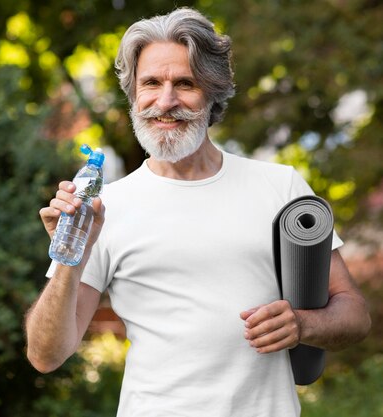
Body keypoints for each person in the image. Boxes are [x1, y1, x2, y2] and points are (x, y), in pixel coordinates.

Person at [24, 7, 371, 417]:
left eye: (184, 83)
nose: (165, 101)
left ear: (213, 90)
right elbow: (46, 356)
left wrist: (302, 325)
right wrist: (70, 257)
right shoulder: (104, 209)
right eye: (151, 83)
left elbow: (355, 314)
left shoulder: (281, 187)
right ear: (134, 94)